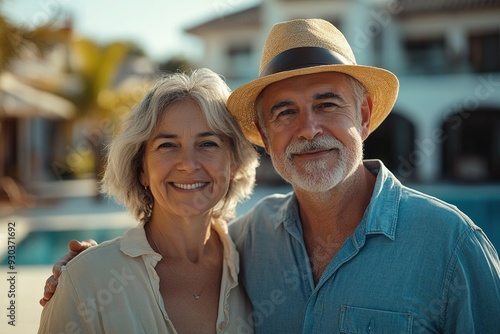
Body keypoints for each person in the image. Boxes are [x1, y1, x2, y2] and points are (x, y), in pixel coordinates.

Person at [41, 19, 500, 333]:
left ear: (363, 114)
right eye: (285, 112)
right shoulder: (250, 242)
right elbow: (170, 245)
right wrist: (89, 270)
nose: (309, 129)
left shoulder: (451, 246)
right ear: (262, 134)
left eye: (327, 103)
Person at [38, 68, 259, 333]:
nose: (188, 165)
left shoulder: (259, 262)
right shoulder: (86, 281)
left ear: (233, 164)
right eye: (167, 145)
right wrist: (85, 274)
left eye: (208, 143)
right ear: (141, 169)